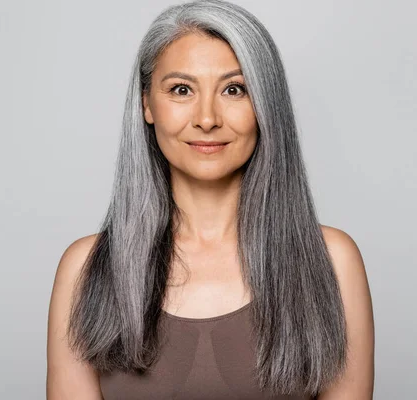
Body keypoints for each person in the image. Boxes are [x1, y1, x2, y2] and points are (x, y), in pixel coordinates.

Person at [46, 0, 374, 398]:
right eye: (181, 89)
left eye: (234, 89)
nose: (206, 118)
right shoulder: (85, 269)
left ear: (265, 105)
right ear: (147, 104)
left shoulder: (333, 261)